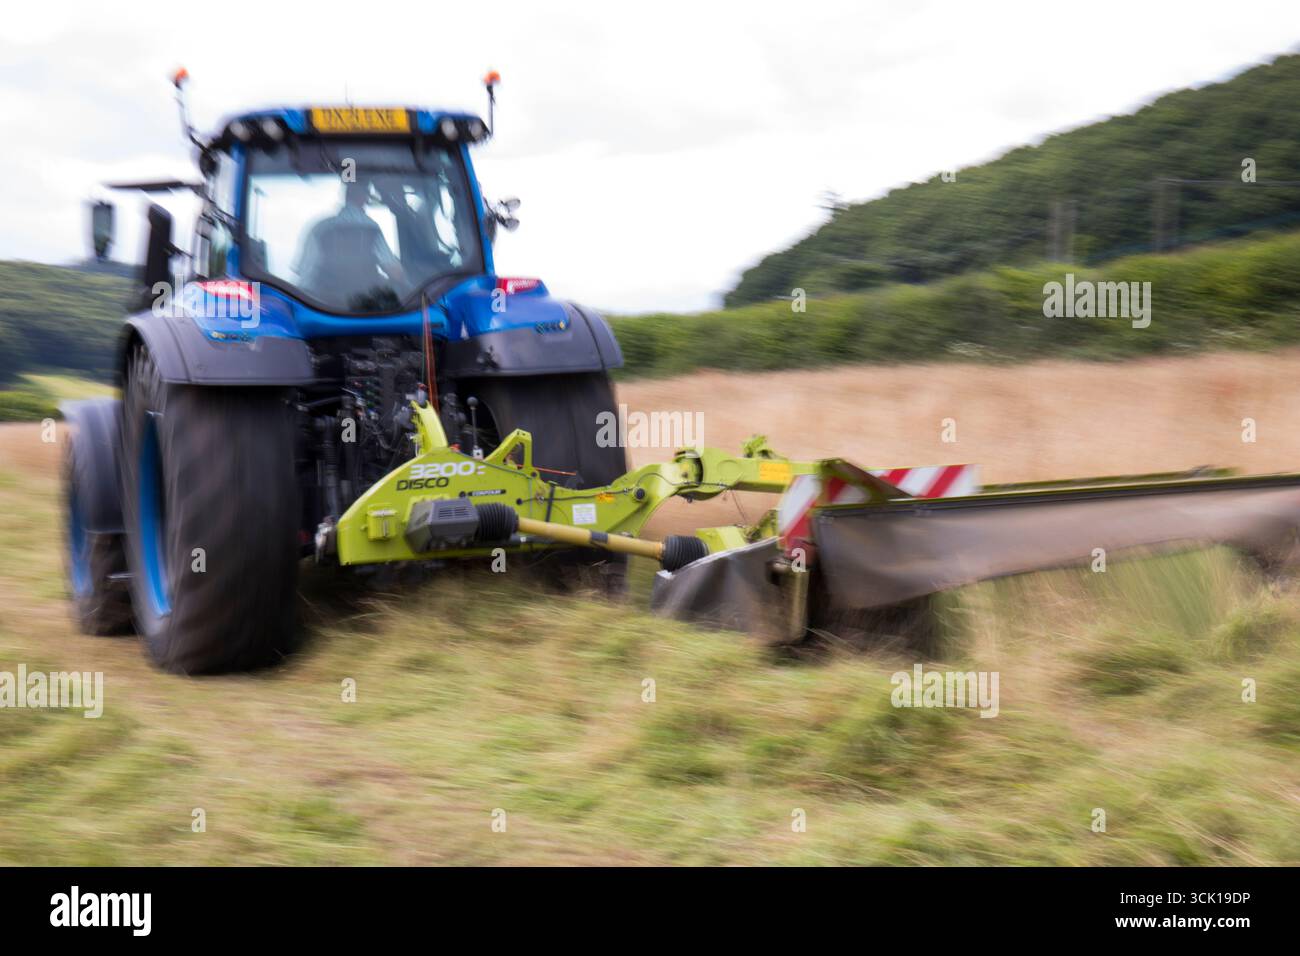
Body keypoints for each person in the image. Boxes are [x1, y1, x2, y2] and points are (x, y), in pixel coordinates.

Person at [293, 179, 406, 304]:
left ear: (346, 196)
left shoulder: (319, 228)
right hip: (364, 305)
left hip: (323, 307)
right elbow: (394, 271)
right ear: (364, 198)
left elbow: (304, 273)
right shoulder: (370, 228)